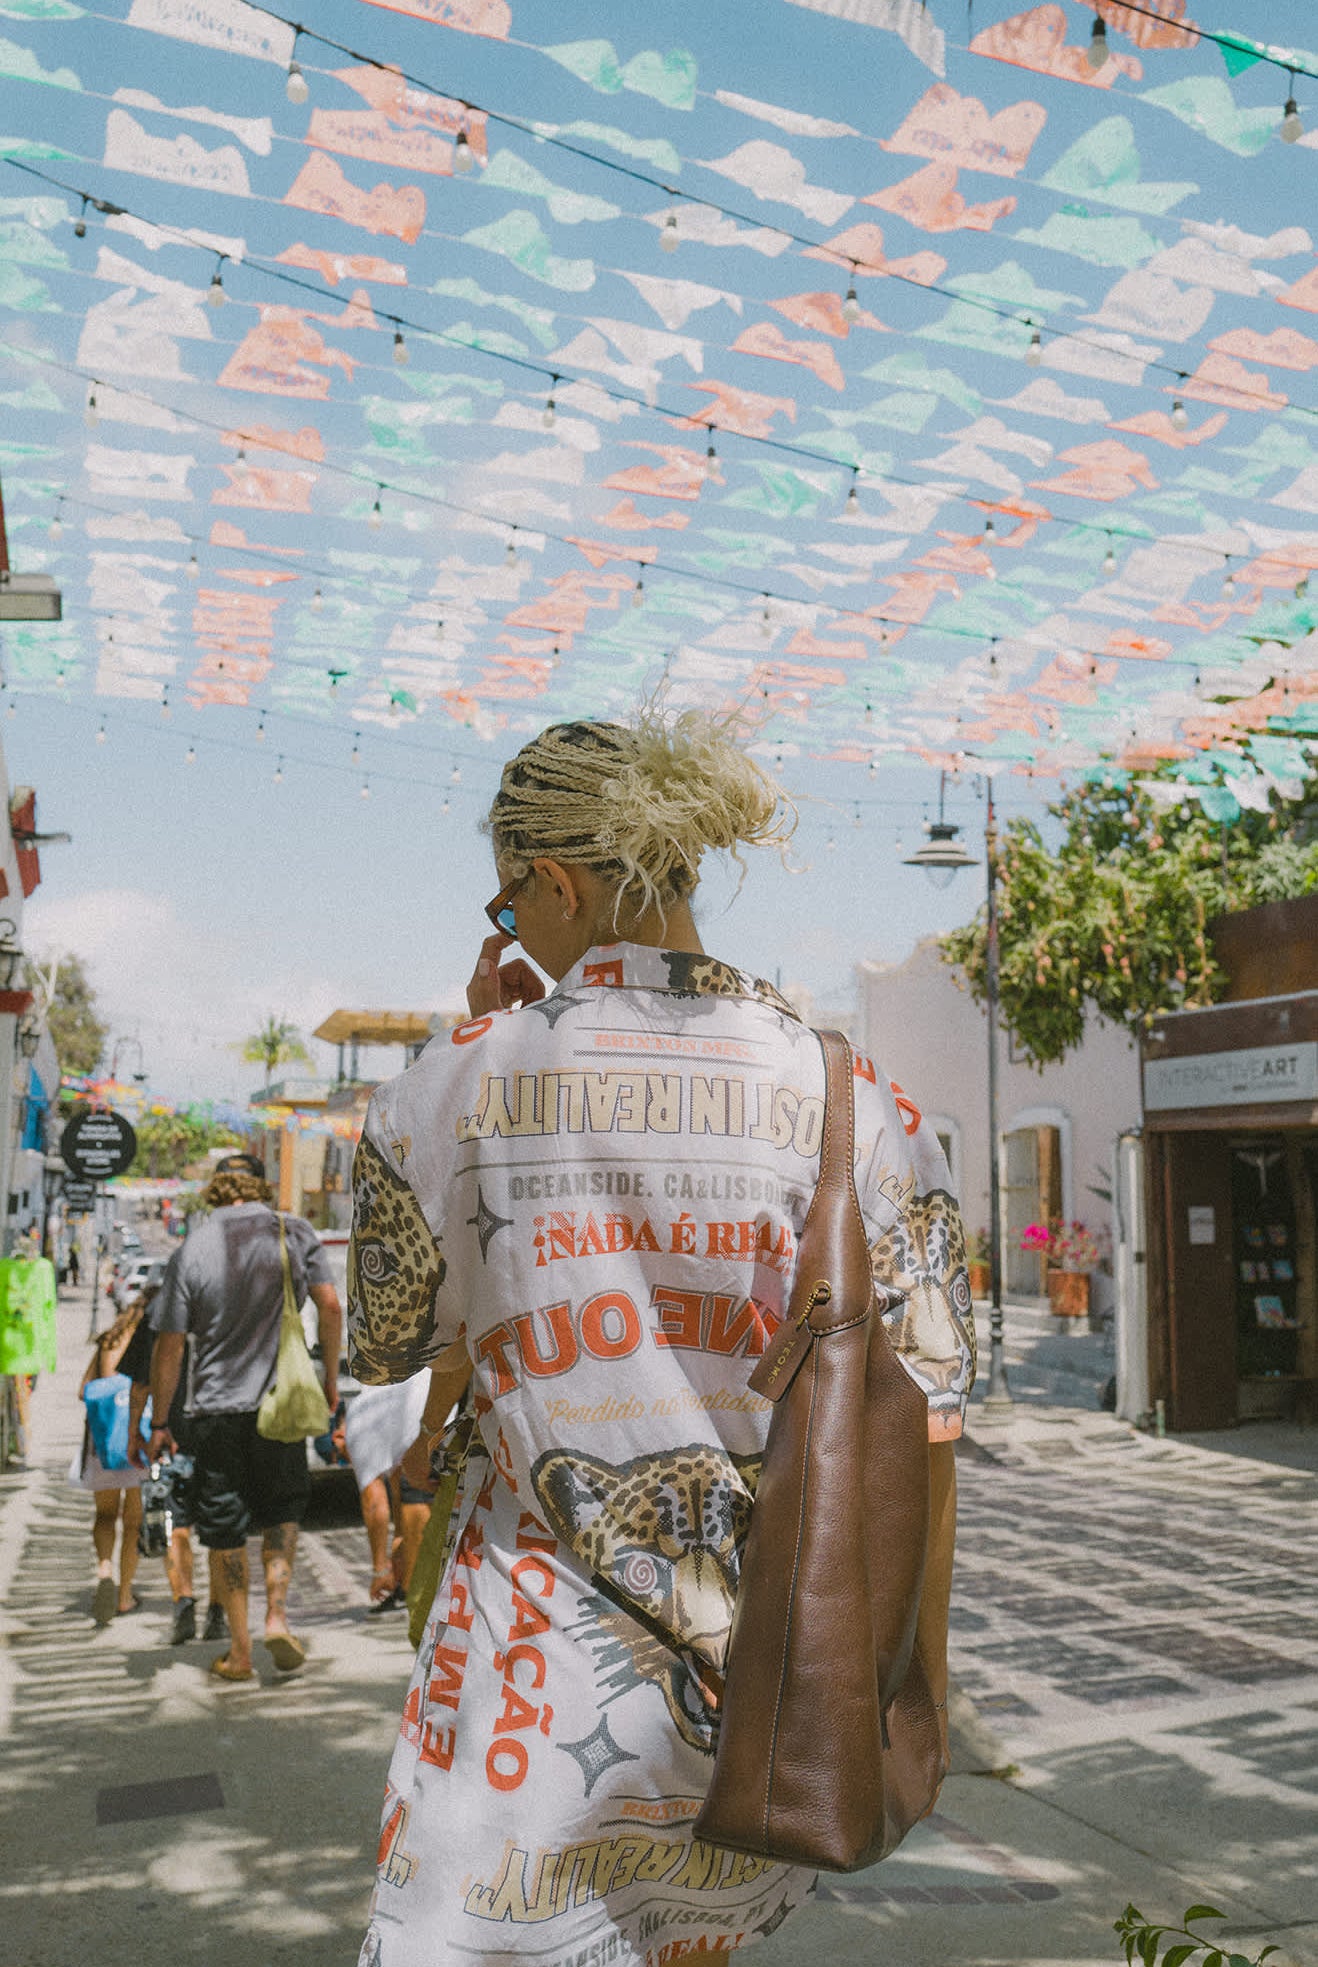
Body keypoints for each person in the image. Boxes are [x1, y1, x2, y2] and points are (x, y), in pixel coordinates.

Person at [348, 710, 975, 1967]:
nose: (508, 926)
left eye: (506, 899)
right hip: (762, 1694)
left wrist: (485, 1080)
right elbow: (933, 1415)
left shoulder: (443, 1084)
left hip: (521, 1696)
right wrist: (914, 1675)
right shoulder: (856, 1095)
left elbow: (385, 1339)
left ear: (557, 881)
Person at [143, 1154, 342, 1683]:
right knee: (281, 1510)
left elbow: (168, 1345)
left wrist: (159, 1421)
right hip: (281, 1402)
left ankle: (240, 1651)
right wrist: (328, 1379)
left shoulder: (193, 1247)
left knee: (223, 1525)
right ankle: (277, 1615)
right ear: (260, 1186)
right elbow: (331, 1305)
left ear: (217, 1190)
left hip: (213, 1411)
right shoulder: (294, 1232)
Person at [75, 1292, 152, 1625]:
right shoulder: (148, 1341)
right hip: (136, 1441)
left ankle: (104, 1569)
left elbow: (83, 1390)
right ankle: (124, 1597)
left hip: (104, 1442)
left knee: (105, 1515)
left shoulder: (109, 1340)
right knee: (133, 1522)